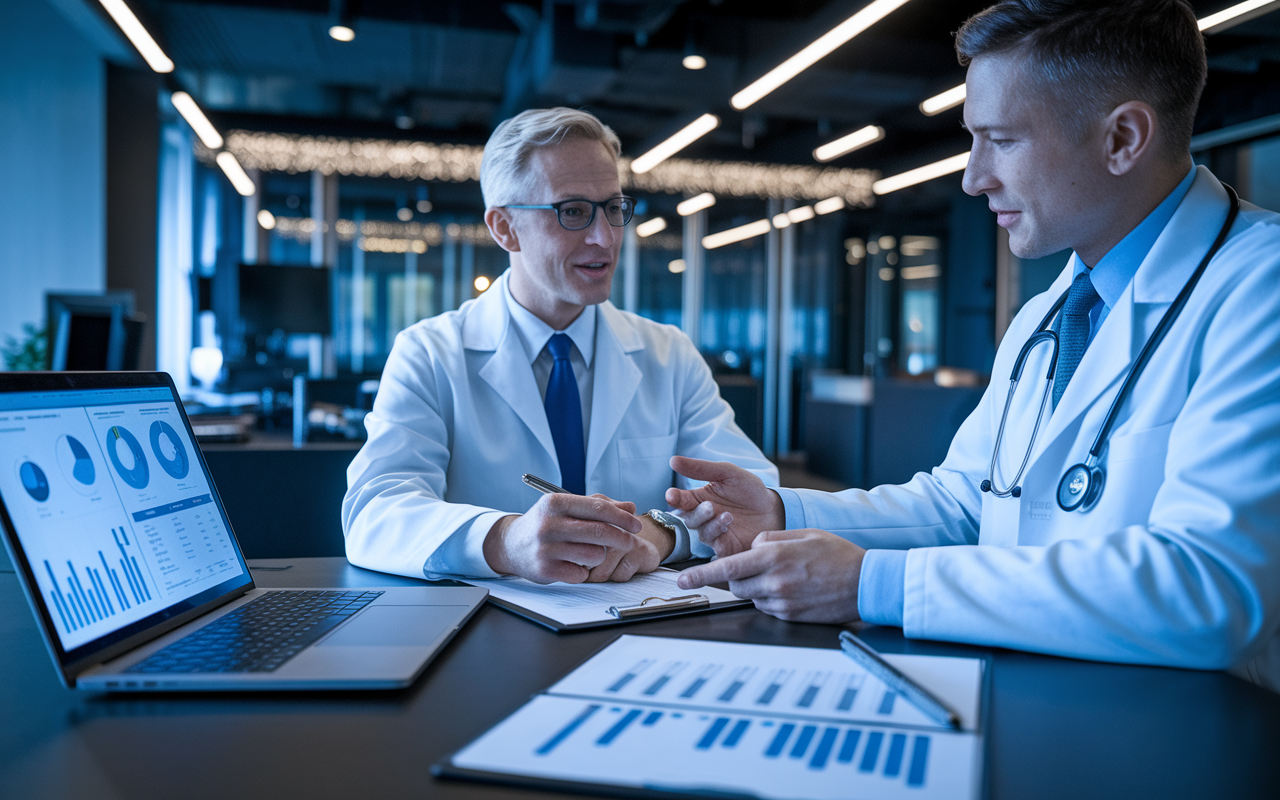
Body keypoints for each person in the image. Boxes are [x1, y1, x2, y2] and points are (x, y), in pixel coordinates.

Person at [668, 0, 1280, 691]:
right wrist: (786, 513)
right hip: (1036, 700)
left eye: (1003, 140)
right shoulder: (1049, 313)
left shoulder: (1262, 289)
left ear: (1123, 138)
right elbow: (969, 505)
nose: (972, 176)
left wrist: (877, 585)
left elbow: (1209, 589)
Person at [343, 107, 777, 585]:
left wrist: (659, 533)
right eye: (572, 211)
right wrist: (505, 541)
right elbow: (374, 513)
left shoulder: (669, 354)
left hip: (643, 627)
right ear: (504, 228)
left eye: (613, 208)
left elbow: (754, 497)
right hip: (488, 641)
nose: (605, 237)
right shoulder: (429, 353)